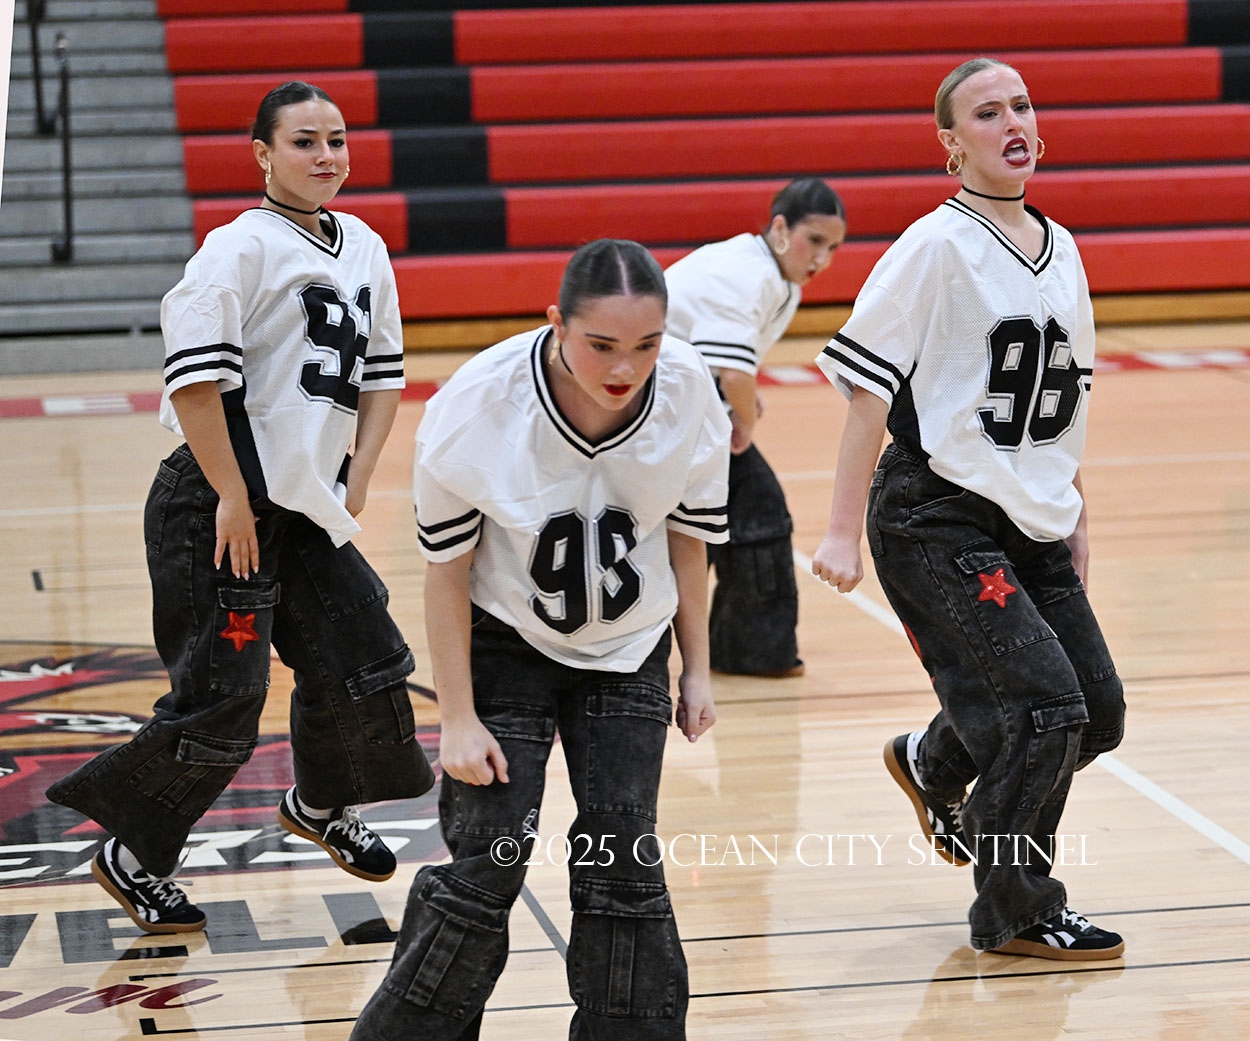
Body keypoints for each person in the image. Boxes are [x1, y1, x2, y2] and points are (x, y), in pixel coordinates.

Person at [47, 81, 435, 933]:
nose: (326, 155)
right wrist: (230, 496)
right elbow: (194, 384)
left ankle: (320, 803)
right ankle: (133, 854)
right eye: (304, 141)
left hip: (305, 505)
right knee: (224, 699)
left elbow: (382, 375)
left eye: (337, 139)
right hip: (216, 505)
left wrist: (360, 474)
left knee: (366, 657)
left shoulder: (365, 245)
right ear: (262, 154)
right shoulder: (236, 248)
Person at [350, 239, 730, 1040]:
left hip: (630, 647)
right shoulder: (475, 406)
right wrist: (457, 717)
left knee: (621, 855)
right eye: (601, 343)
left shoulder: (690, 388)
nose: (625, 367)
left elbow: (689, 540)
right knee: (487, 862)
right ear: (556, 322)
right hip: (506, 641)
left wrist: (697, 667)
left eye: (647, 344)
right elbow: (446, 574)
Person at [811, 58, 1126, 960]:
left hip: (1030, 516)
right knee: (1046, 709)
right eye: (987, 113)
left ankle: (935, 761)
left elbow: (1064, 399)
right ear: (951, 144)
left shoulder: (1063, 248)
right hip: (934, 514)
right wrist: (839, 530)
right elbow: (867, 392)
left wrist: (1074, 511)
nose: (1012, 122)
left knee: (1096, 710)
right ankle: (1017, 908)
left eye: (1021, 105)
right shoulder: (933, 247)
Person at [664, 178, 846, 677]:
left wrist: (737, 401)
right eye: (815, 241)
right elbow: (733, 372)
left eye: (833, 248)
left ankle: (745, 649)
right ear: (780, 229)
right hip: (660, 414)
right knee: (752, 513)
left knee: (738, 514)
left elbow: (726, 364)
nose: (822, 258)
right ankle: (748, 650)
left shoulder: (769, 272)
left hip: (683, 405)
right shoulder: (749, 273)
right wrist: (742, 419)